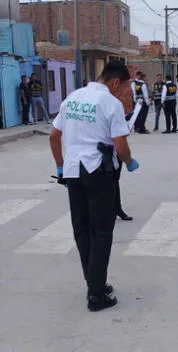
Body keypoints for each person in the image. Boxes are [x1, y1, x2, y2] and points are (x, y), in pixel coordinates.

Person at [48, 60, 140, 312]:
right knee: (101, 232)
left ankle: (94, 283)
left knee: (82, 229)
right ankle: (97, 295)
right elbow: (120, 147)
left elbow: (54, 135)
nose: (124, 93)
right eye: (124, 87)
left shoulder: (72, 98)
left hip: (72, 172)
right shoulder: (110, 104)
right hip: (98, 172)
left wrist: (59, 165)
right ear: (114, 81)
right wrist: (130, 162)